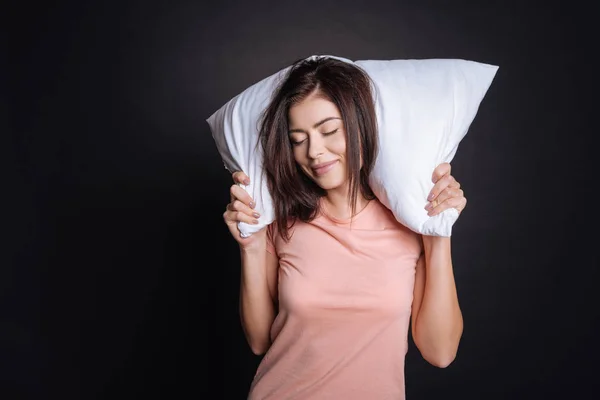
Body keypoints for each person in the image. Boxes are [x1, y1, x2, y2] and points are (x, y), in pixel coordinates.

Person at [222, 56, 466, 400]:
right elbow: (260, 340)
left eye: (329, 131)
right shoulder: (283, 224)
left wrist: (439, 233)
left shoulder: (410, 227)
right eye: (298, 139)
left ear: (358, 126)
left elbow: (439, 352)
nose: (314, 152)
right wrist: (250, 247)